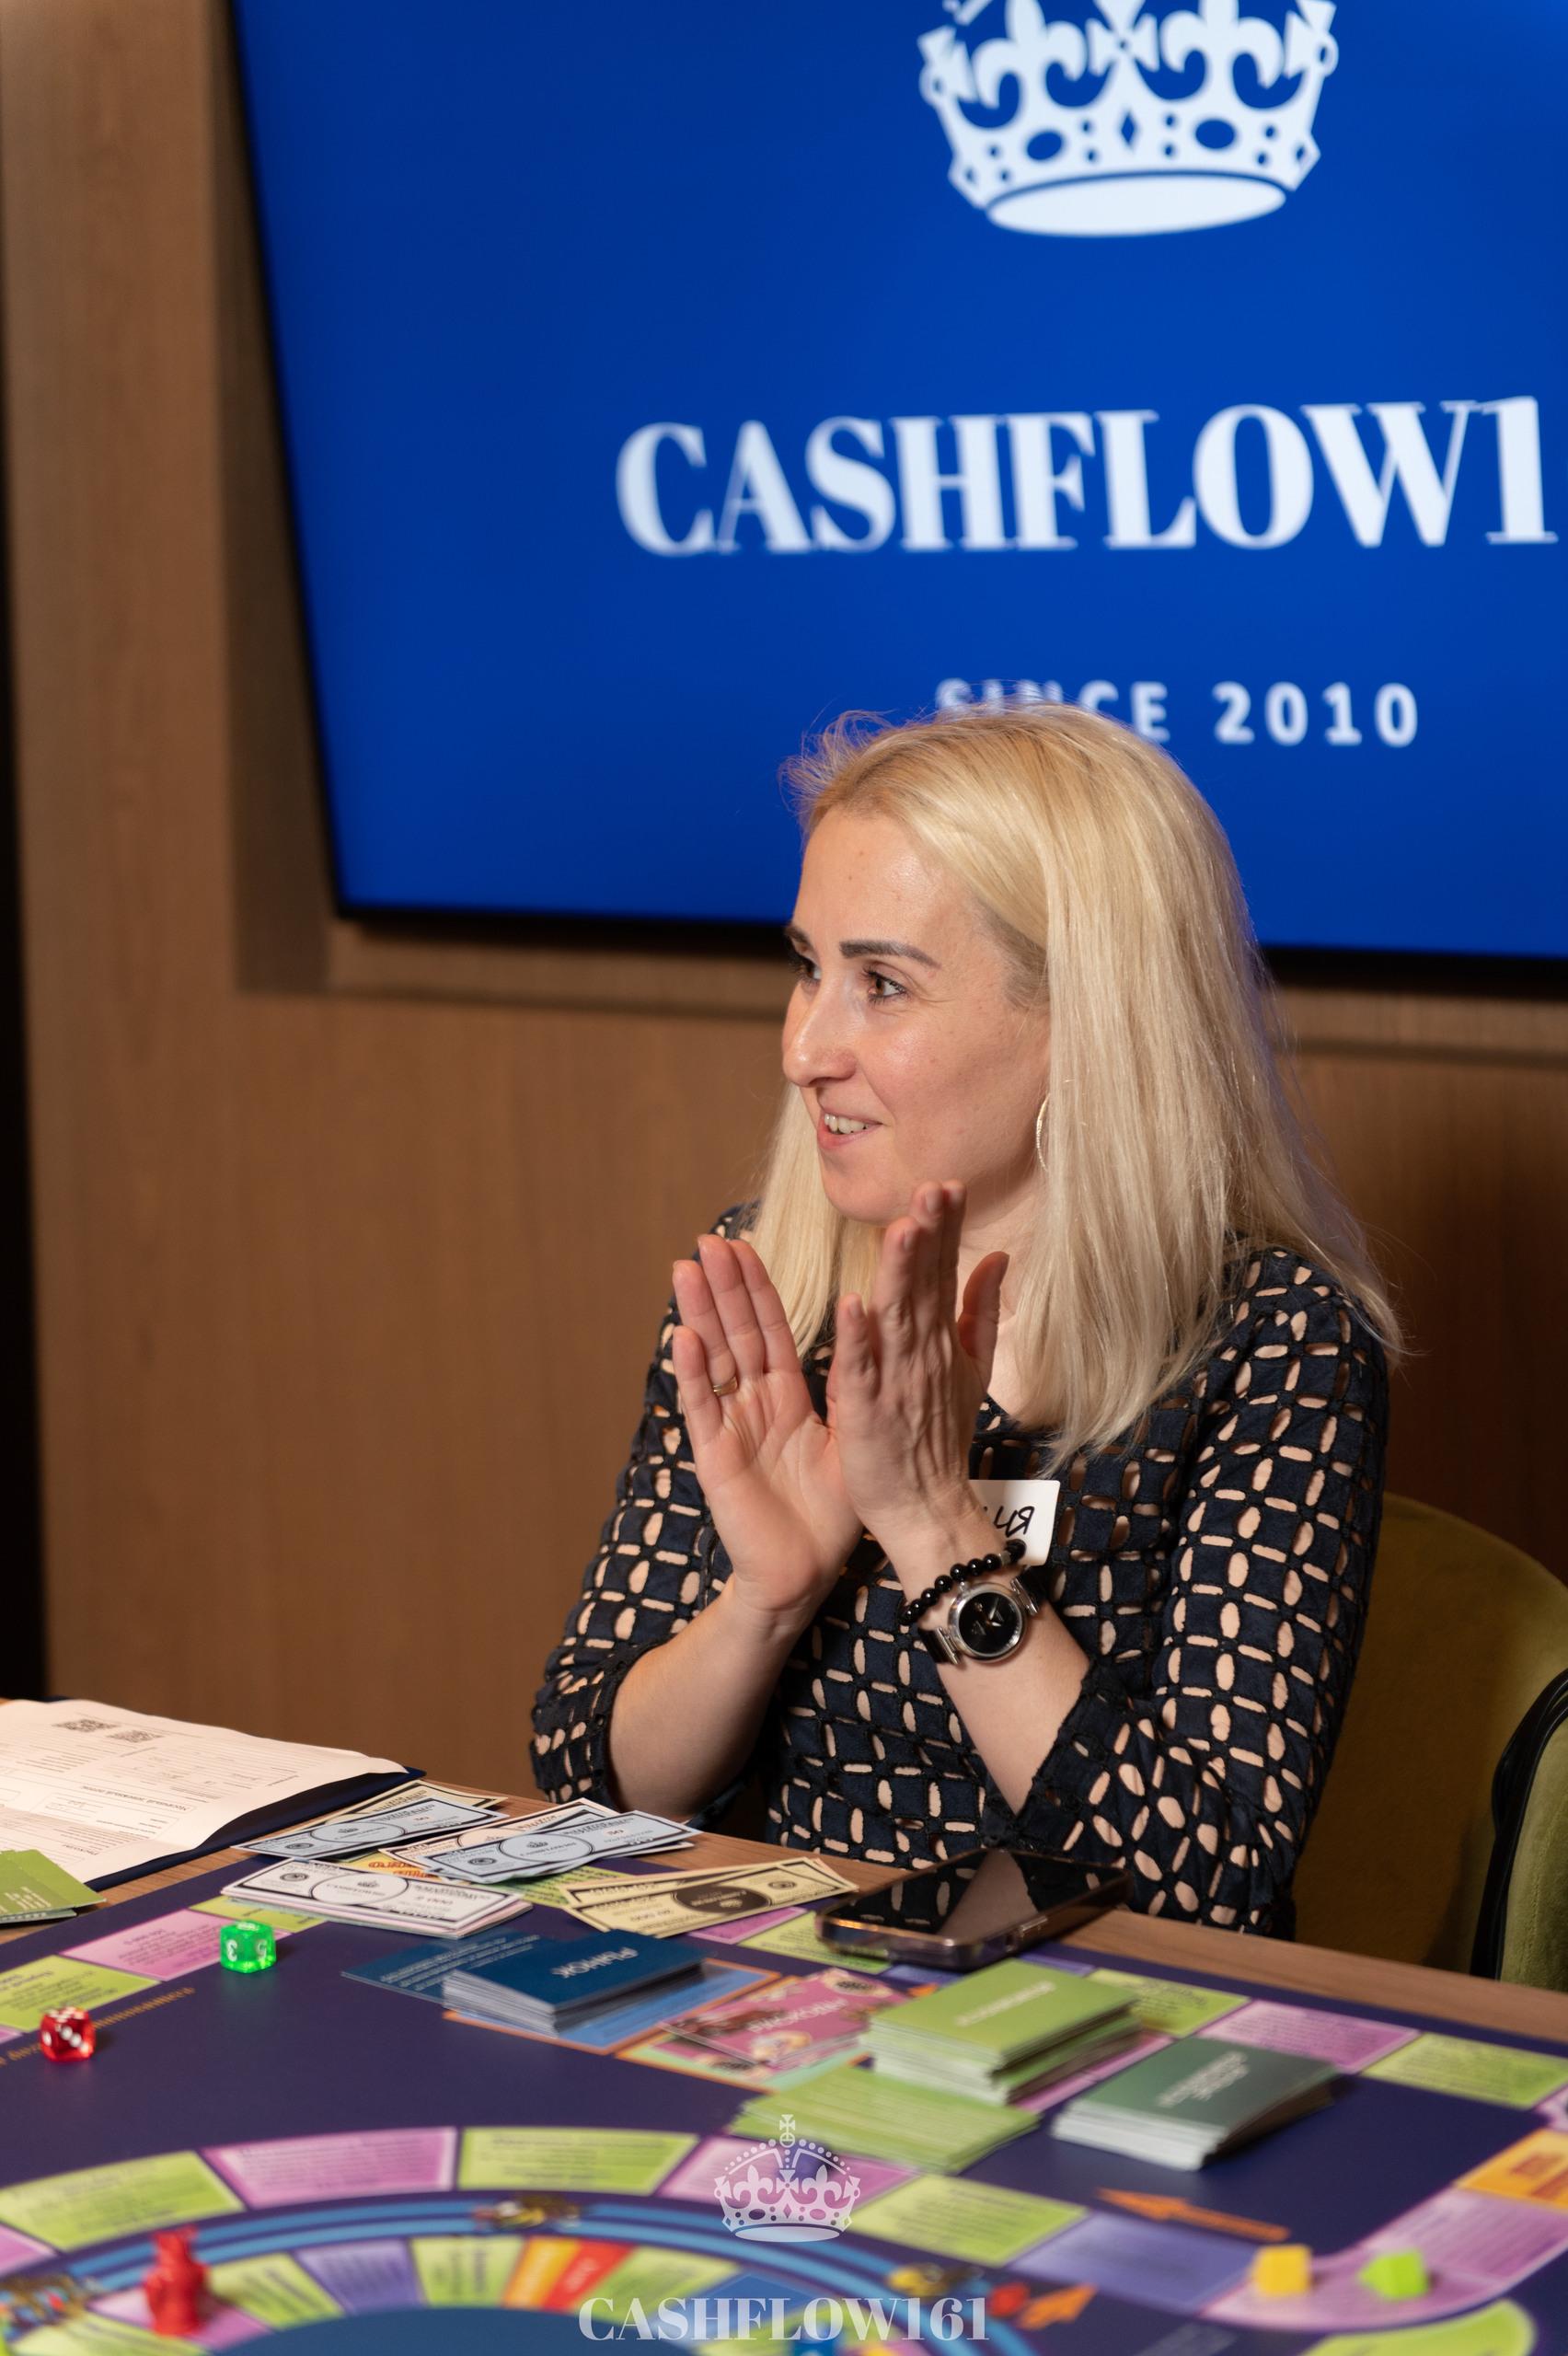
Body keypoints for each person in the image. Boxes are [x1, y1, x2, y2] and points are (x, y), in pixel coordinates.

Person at [532, 702, 1396, 1936]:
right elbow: (588, 1777)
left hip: (1095, 2011)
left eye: (882, 985)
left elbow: (1206, 1882)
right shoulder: (772, 1282)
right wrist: (765, 1598)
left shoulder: (1275, 1343)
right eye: (809, 967)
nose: (804, 1048)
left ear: (1083, 1020)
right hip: (781, 1983)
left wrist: (934, 1527)